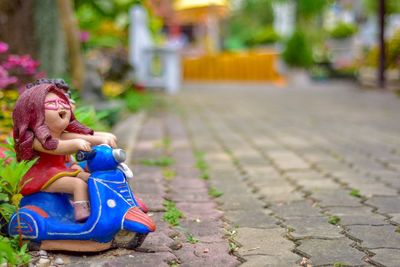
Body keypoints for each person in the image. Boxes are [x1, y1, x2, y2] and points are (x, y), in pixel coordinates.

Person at [13, 82, 113, 222]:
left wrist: (101, 139)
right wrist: (76, 144)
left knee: (91, 178)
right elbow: (57, 147)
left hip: (59, 171)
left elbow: (79, 137)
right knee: (78, 185)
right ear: (33, 112)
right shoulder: (35, 140)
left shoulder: (59, 134)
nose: (61, 107)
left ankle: (100, 207)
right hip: (42, 177)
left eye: (63, 102)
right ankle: (82, 216)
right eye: (52, 104)